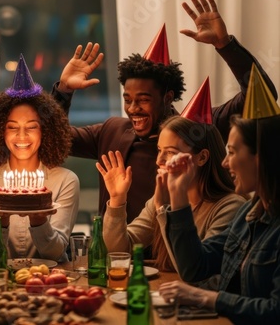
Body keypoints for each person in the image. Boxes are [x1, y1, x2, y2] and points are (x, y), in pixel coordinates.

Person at [51, 0, 277, 222]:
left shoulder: (201, 128)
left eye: (143, 99)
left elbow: (263, 95)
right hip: (119, 254)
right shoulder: (111, 132)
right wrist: (64, 91)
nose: (133, 108)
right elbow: (52, 139)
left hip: (184, 253)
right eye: (127, 99)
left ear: (168, 97)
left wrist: (225, 45)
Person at [157, 113, 280, 324]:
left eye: (231, 152)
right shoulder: (247, 216)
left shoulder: (238, 208)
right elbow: (194, 268)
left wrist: (204, 297)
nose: (224, 162)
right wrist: (177, 195)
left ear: (261, 158)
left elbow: (274, 311)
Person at [100, 116, 246, 273]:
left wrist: (163, 209)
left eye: (170, 152)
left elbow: (194, 271)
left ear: (202, 157)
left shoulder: (230, 207)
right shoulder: (163, 198)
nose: (159, 160)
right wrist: (117, 199)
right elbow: (117, 252)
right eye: (159, 150)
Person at [0, 56, 79, 262]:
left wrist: (39, 219)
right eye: (12, 127)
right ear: (0, 131)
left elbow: (55, 252)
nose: (21, 136)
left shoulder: (66, 180)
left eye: (31, 127)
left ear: (45, 130)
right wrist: (1, 220)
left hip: (50, 282)